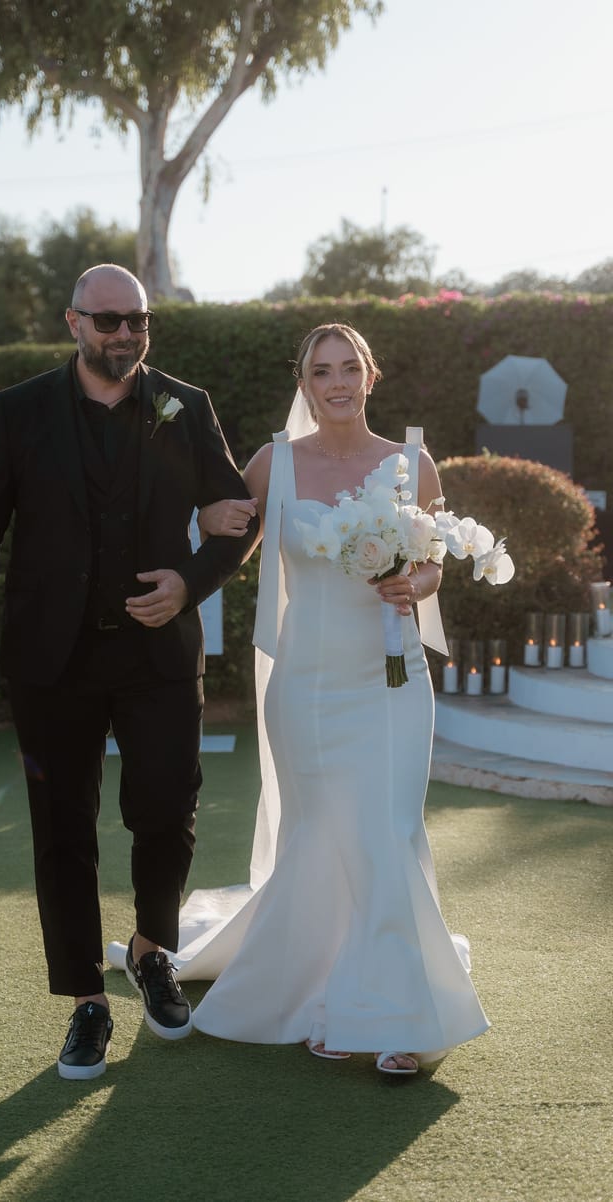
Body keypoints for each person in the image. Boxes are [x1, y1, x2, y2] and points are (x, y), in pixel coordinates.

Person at [112, 322, 490, 1074]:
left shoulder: (413, 465)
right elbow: (228, 546)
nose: (338, 382)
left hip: (391, 681)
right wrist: (196, 546)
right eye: (323, 371)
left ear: (371, 376)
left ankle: (400, 1015)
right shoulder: (270, 463)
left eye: (351, 367)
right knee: (322, 835)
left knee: (386, 830)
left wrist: (415, 583)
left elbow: (435, 565)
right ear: (305, 383)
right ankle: (325, 982)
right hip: (307, 688)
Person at [0, 264, 258, 1081]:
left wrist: (190, 579)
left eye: (137, 322)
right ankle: (86, 1001)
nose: (124, 335)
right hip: (52, 661)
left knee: (165, 807)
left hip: (157, 656)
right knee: (63, 833)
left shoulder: (188, 405)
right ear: (73, 322)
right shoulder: (20, 410)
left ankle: (153, 951)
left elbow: (238, 519)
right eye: (108, 320)